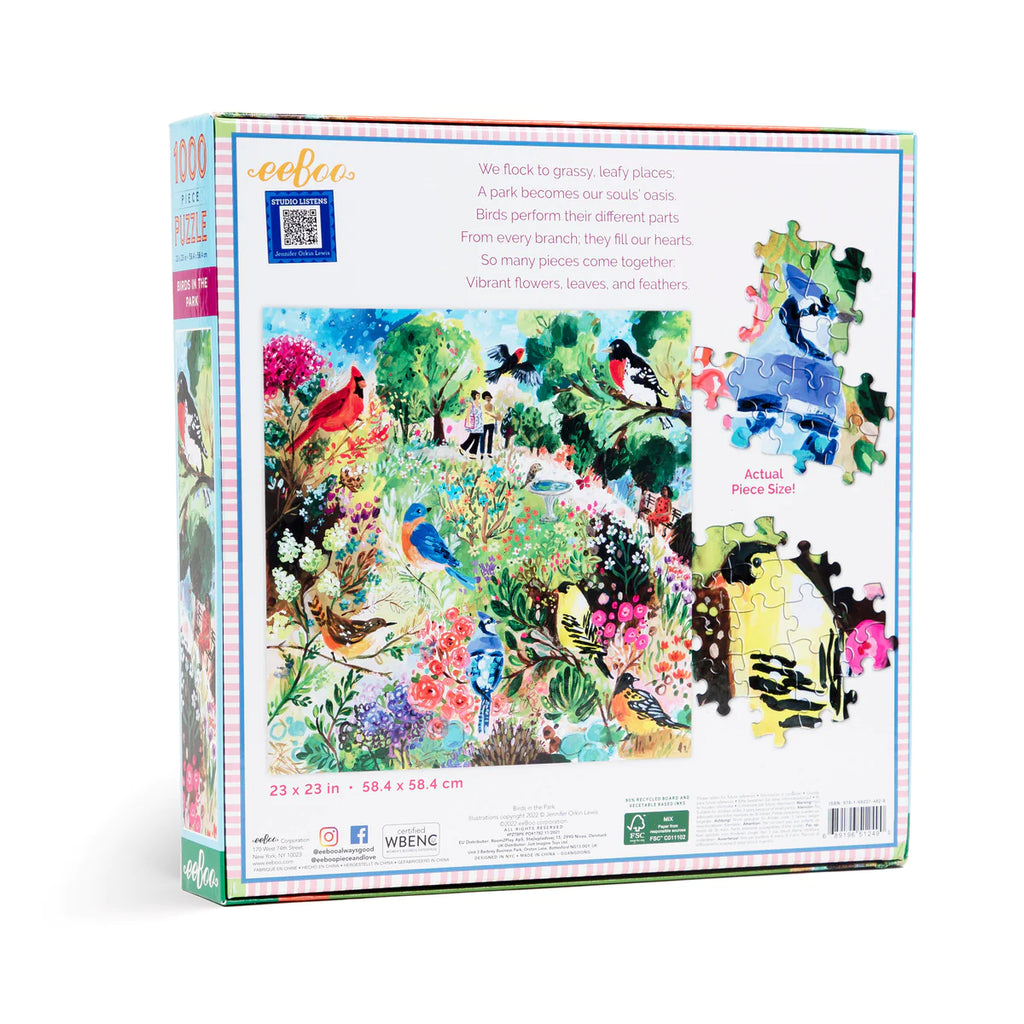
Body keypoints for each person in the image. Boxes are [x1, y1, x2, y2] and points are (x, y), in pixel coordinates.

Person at [460, 390, 483, 457]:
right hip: (474, 424)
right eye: (477, 395)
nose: (479, 396)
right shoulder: (471, 404)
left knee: (477, 439)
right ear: (474, 396)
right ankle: (463, 448)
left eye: (479, 395)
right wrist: (468, 422)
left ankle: (472, 453)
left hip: (479, 424)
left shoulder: (479, 404)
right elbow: (467, 413)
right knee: (471, 437)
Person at [480, 391, 498, 457]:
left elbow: (496, 416)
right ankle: (482, 453)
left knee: (490, 438)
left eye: (489, 397)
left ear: (491, 398)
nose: (488, 399)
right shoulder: (482, 406)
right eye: (486, 397)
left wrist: (489, 414)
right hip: (484, 424)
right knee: (482, 438)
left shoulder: (493, 407)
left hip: (491, 424)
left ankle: (489, 453)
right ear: (484, 398)